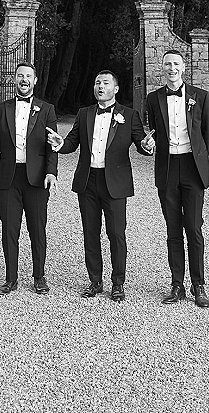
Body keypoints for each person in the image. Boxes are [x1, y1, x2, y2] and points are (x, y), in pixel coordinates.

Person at [47, 70, 154, 302]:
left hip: (115, 183)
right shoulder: (84, 114)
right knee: (90, 233)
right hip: (88, 182)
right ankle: (95, 280)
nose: (100, 86)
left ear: (115, 89)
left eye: (105, 83)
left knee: (116, 234)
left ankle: (118, 283)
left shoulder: (129, 114)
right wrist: (60, 143)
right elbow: (72, 142)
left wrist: (147, 145)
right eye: (97, 83)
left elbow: (140, 144)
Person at [0, 61, 58, 295]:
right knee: (9, 229)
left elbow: (52, 147)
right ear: (15, 80)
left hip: (37, 179)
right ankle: (10, 278)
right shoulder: (2, 109)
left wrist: (51, 172)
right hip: (9, 178)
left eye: (28, 76)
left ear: (35, 80)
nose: (24, 80)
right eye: (20, 76)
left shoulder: (47, 109)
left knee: (37, 229)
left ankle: (39, 276)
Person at [146, 48, 209, 308]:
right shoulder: (154, 99)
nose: (171, 68)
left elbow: (207, 133)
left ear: (183, 67)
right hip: (167, 167)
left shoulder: (200, 96)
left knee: (194, 227)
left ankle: (199, 285)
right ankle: (177, 284)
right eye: (167, 64)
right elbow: (154, 131)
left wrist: (197, 159)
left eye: (175, 64)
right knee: (173, 229)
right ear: (162, 68)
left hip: (192, 168)